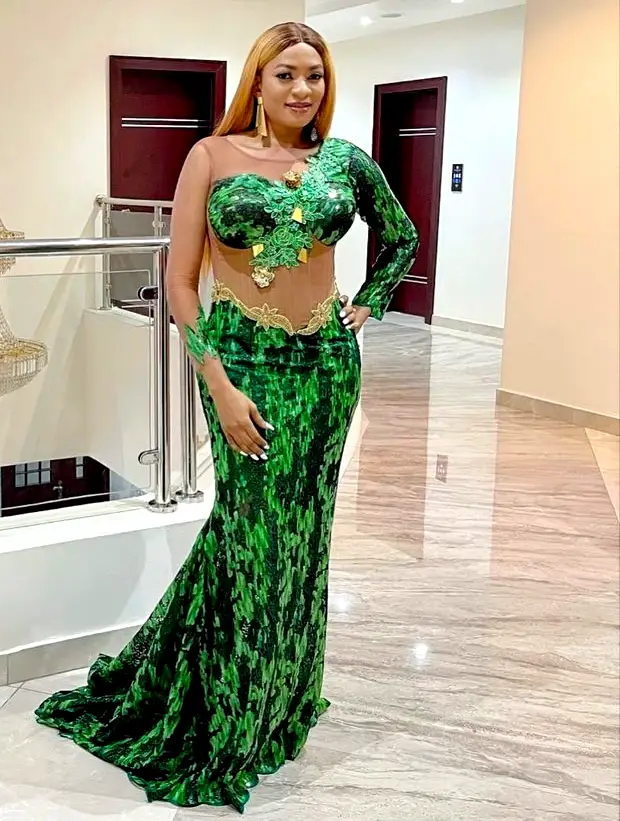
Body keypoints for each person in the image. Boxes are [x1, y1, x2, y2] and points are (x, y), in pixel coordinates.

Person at [35, 21, 418, 814]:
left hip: (326, 369)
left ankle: (284, 698)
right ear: (258, 81)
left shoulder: (345, 161)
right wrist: (217, 383)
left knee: (304, 534)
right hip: (242, 363)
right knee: (248, 536)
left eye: (315, 74)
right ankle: (232, 714)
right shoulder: (211, 157)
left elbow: (402, 236)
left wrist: (369, 302)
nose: (302, 89)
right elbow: (181, 284)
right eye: (286, 74)